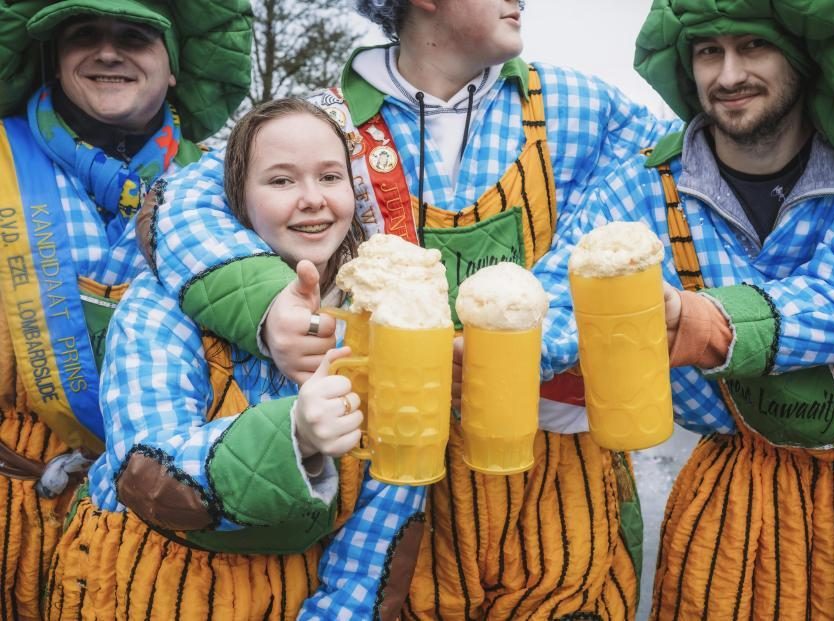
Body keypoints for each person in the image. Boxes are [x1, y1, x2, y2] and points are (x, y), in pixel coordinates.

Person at [139, 0, 679, 617]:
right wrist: (269, 308)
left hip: (555, 475)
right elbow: (179, 205)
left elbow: (647, 194)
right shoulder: (326, 118)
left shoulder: (582, 106)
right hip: (394, 484)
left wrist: (530, 333)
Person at [553, 0, 834, 618]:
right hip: (732, 509)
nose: (728, 76)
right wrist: (492, 339)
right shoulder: (645, 186)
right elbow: (563, 285)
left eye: (753, 47)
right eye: (708, 52)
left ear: (803, 58)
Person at [45, 98, 426, 620]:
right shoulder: (158, 304)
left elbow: (375, 541)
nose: (312, 199)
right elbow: (148, 472)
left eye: (330, 176)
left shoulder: (382, 320)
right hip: (144, 585)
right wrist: (294, 435)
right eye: (281, 181)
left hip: (294, 594)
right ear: (238, 200)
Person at [0, 1, 251, 618]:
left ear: (173, 69)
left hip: (146, 543)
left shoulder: (225, 186)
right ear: (54, 62)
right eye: (83, 33)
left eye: (135, 36)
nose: (108, 51)